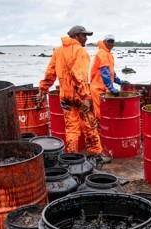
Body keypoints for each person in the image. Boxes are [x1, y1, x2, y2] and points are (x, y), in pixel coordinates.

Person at [38, 25, 109, 163]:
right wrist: (85, 97)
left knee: (71, 128)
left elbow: (50, 73)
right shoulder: (80, 51)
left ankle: (71, 158)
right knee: (90, 125)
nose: (86, 38)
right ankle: (96, 155)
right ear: (76, 36)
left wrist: (43, 89)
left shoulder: (58, 51)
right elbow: (79, 76)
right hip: (79, 97)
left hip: (65, 97)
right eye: (84, 35)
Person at [90, 34, 129, 120]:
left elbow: (111, 72)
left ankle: (106, 130)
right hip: (97, 88)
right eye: (109, 41)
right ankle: (100, 131)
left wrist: (119, 81)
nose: (111, 43)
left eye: (112, 41)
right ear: (104, 42)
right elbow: (105, 73)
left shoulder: (108, 54)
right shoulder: (102, 53)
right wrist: (111, 88)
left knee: (106, 111)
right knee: (100, 112)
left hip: (104, 88)